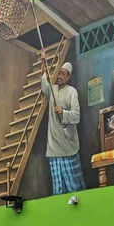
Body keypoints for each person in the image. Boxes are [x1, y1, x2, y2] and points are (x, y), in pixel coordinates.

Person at [41, 61, 86, 195]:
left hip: (68, 145)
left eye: (63, 74)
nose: (60, 76)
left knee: (74, 187)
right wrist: (43, 65)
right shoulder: (52, 90)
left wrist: (63, 113)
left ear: (68, 76)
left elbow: (77, 116)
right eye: (59, 73)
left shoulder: (72, 92)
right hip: (54, 145)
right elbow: (44, 87)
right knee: (58, 187)